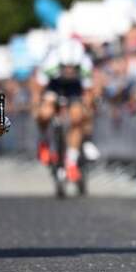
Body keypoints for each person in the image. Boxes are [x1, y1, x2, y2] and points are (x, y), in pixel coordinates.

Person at [32, 38, 96, 183]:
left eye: (72, 67)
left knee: (77, 117)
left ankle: (72, 161)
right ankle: (44, 141)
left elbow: (89, 92)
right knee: (45, 113)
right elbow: (38, 89)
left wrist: (88, 109)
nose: (68, 70)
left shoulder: (85, 65)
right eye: (65, 67)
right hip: (54, 86)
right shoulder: (50, 63)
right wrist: (37, 107)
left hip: (74, 88)